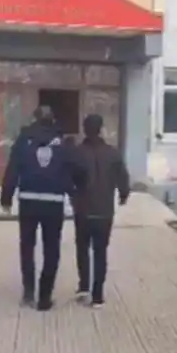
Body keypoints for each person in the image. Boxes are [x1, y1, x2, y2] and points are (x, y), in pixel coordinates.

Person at [0, 106, 80, 311]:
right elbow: (70, 172)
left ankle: (28, 293)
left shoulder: (23, 140)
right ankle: (45, 297)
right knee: (52, 248)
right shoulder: (63, 142)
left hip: (28, 200)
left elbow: (13, 169)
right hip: (53, 202)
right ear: (52, 120)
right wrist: (74, 196)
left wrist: (6, 197)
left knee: (27, 246)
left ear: (34, 119)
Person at [70, 114, 130, 308]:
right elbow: (123, 177)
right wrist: (123, 194)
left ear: (84, 129)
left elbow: (69, 179)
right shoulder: (113, 154)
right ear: (101, 129)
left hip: (83, 209)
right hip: (104, 210)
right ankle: (98, 295)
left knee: (82, 248)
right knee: (100, 251)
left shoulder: (77, 153)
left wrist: (72, 195)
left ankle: (84, 286)